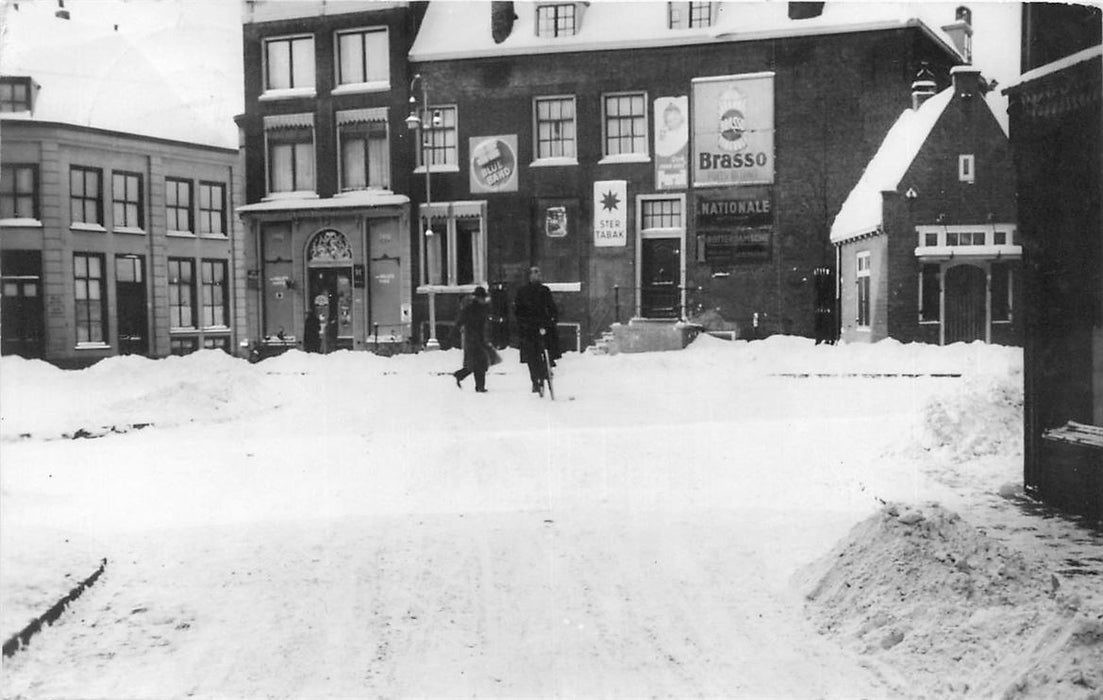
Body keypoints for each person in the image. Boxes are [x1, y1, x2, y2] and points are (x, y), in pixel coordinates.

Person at [514, 265, 560, 394]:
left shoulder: (544, 290)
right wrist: (523, 323)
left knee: (549, 345)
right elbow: (518, 311)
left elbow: (551, 306)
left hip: (543, 325)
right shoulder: (522, 291)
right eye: (534, 273)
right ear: (529, 276)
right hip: (529, 327)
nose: (537, 276)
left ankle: (549, 365)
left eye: (539, 273)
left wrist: (553, 319)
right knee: (531, 355)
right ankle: (535, 381)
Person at [451, 286, 493, 393]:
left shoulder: (480, 308)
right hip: (473, 339)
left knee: (478, 364)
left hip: (478, 338)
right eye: (482, 298)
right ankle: (479, 386)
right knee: (479, 364)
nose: (484, 300)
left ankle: (462, 376)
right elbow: (461, 321)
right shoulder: (471, 309)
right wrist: (455, 331)